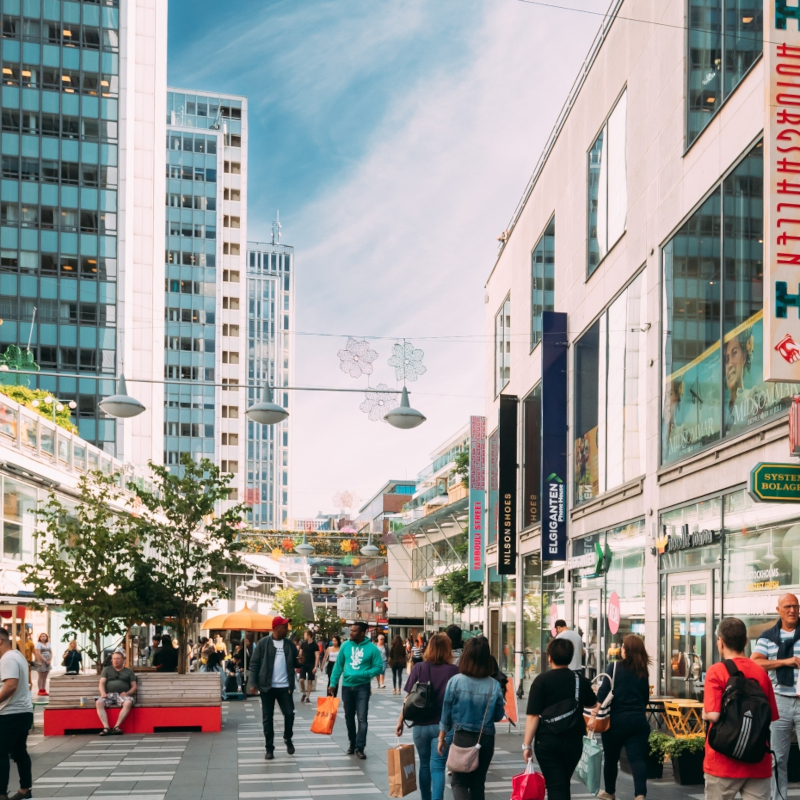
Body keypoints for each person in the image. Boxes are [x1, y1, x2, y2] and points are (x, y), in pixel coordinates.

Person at [704, 618, 779, 800]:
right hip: (757, 759)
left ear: (720, 642)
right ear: (746, 641)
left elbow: (713, 715)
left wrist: (704, 712)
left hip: (723, 760)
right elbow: (770, 716)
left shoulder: (716, 671)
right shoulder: (760, 673)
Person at [523, 638, 598, 800]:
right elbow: (593, 704)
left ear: (549, 657)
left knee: (556, 785)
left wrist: (526, 745)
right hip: (573, 741)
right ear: (570, 658)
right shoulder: (580, 680)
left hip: (547, 742)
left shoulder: (541, 681)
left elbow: (533, 716)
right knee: (563, 783)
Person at [438, 636, 506, 800]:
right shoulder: (494, 685)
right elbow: (498, 715)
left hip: (462, 736)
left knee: (458, 782)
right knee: (478, 783)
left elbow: (446, 714)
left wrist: (442, 737)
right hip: (485, 738)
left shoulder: (455, 682)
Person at [395, 633, 459, 800]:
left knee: (424, 765)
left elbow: (408, 698)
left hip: (420, 725)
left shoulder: (419, 667)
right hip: (443, 727)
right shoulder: (454, 671)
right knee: (437, 767)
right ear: (447, 650)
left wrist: (400, 721)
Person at [752, 592, 800, 800]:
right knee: (778, 758)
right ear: (778, 610)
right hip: (779, 701)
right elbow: (754, 662)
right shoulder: (768, 637)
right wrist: (785, 661)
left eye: (796, 606)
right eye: (788, 606)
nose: (792, 610)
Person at [595, 635, 652, 800]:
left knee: (611, 759)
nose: (621, 649)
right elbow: (645, 698)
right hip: (637, 722)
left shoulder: (613, 668)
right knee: (636, 759)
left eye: (623, 646)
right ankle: (640, 795)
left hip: (615, 722)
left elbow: (602, 693)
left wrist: (594, 714)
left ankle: (610, 792)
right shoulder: (643, 671)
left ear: (627, 650)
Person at [328, 621, 384, 759]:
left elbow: (379, 667)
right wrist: (333, 683)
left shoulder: (372, 648)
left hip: (362, 687)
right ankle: (352, 742)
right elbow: (338, 666)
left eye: (353, 631)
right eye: (350, 630)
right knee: (348, 717)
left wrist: (364, 674)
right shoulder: (345, 645)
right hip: (346, 686)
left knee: (362, 718)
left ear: (362, 633)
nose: (350, 633)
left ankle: (360, 747)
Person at [248, 616, 297, 760]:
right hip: (267, 687)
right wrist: (253, 684)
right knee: (267, 718)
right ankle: (269, 748)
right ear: (275, 628)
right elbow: (254, 664)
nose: (287, 629)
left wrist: (300, 662)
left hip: (285, 687)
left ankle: (288, 737)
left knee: (289, 714)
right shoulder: (263, 643)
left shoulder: (289, 644)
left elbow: (295, 663)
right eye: (284, 626)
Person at [0, 626, 33, 800]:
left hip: (10, 713)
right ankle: (25, 790)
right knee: (19, 751)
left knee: (1, 753)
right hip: (23, 712)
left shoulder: (7, 658)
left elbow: (11, 685)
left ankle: (1, 793)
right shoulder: (17, 655)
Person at [95, 649, 137, 736]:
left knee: (128, 702)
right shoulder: (106, 670)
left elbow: (134, 687)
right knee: (99, 702)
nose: (115, 661)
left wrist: (127, 693)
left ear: (123, 660)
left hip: (122, 695)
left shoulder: (129, 671)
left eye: (118, 659)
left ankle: (116, 727)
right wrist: (103, 693)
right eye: (114, 659)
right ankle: (106, 728)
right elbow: (101, 683)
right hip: (109, 694)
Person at [297, 630, 319, 703]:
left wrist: (315, 667)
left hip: (311, 664)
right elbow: (300, 653)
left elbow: (317, 656)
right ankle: (304, 693)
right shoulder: (303, 644)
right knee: (301, 680)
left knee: (310, 681)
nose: (304, 637)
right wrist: (299, 660)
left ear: (309, 635)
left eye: (305, 635)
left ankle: (308, 696)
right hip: (303, 664)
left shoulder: (315, 645)